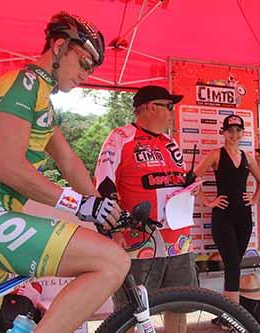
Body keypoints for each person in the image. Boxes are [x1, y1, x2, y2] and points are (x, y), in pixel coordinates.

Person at [0, 12, 130, 333]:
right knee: (113, 262)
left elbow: (68, 162)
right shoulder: (23, 85)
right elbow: (9, 168)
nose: (89, 73)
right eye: (85, 63)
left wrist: (104, 210)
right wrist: (81, 205)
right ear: (59, 46)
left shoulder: (42, 101)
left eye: (94, 68)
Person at [94, 85, 198, 332]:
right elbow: (103, 183)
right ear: (151, 107)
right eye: (169, 106)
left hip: (178, 241)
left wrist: (189, 186)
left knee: (179, 306)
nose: (173, 113)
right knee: (130, 313)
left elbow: (174, 182)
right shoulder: (120, 137)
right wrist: (113, 232)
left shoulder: (171, 143)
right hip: (138, 243)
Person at [195, 114, 260, 304]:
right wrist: (208, 202)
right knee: (233, 266)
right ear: (223, 132)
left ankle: (230, 316)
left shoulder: (248, 157)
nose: (234, 134)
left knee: (233, 266)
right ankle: (232, 317)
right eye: (230, 131)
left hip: (243, 218)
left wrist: (254, 199)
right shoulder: (216, 154)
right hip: (223, 218)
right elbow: (192, 179)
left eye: (238, 130)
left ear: (243, 133)